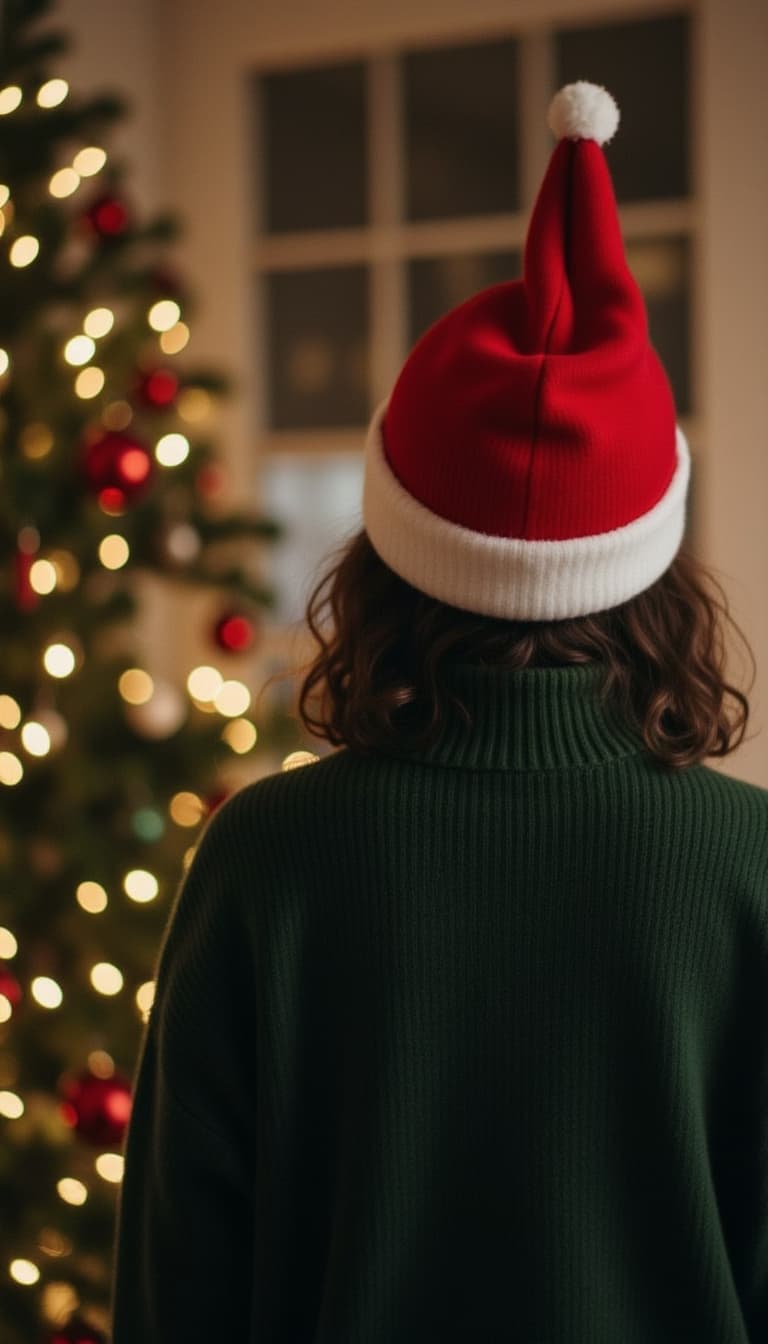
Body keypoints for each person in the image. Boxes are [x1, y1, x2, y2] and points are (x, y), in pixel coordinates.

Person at [110, 81, 768, 1343]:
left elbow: (176, 1294)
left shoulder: (268, 860)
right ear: (655, 569)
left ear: (388, 556)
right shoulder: (747, 871)